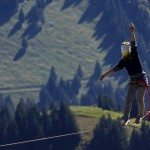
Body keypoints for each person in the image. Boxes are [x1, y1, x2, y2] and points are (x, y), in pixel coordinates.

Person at [100, 23, 149, 125]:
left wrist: (132, 32)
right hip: (133, 80)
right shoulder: (124, 60)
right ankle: (126, 119)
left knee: (140, 98)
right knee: (128, 100)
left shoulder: (133, 54)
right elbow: (115, 69)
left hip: (141, 78)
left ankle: (139, 117)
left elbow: (133, 42)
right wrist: (104, 75)